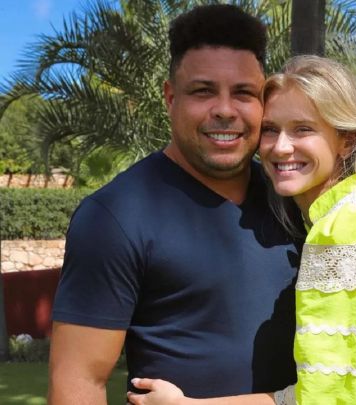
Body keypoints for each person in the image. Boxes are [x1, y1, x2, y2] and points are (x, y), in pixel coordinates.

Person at [126, 56, 356, 404]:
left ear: (346, 140)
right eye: (270, 129)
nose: (281, 147)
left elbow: (335, 400)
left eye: (303, 129)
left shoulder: (352, 227)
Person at [48, 5, 300, 404]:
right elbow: (79, 381)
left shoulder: (295, 200)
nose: (225, 109)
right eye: (203, 91)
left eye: (243, 93)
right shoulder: (115, 217)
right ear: (170, 97)